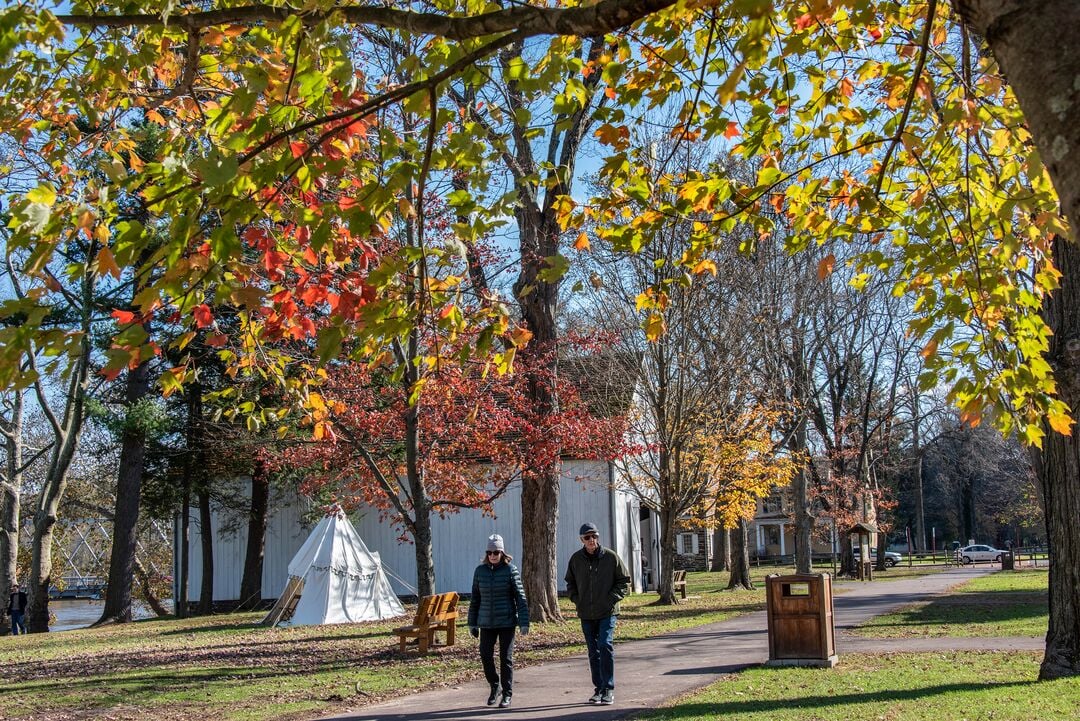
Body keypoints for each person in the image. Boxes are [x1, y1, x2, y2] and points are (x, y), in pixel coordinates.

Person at [564, 522, 631, 706]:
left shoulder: (610, 557)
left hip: (607, 612)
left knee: (605, 644)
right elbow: (570, 583)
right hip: (586, 613)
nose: (591, 540)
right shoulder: (576, 559)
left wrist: (610, 599)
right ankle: (599, 689)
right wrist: (577, 599)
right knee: (593, 651)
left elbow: (624, 581)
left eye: (594, 536)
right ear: (581, 540)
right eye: (587, 537)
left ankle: (608, 688)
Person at [468, 534, 529, 709]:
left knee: (506, 658)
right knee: (485, 655)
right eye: (489, 552)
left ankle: (507, 693)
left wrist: (524, 621)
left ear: (502, 552)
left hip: (507, 622)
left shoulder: (510, 570)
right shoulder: (480, 571)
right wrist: (472, 623)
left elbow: (520, 598)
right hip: (486, 622)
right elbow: (475, 599)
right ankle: (495, 686)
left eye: (496, 552)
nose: (493, 555)